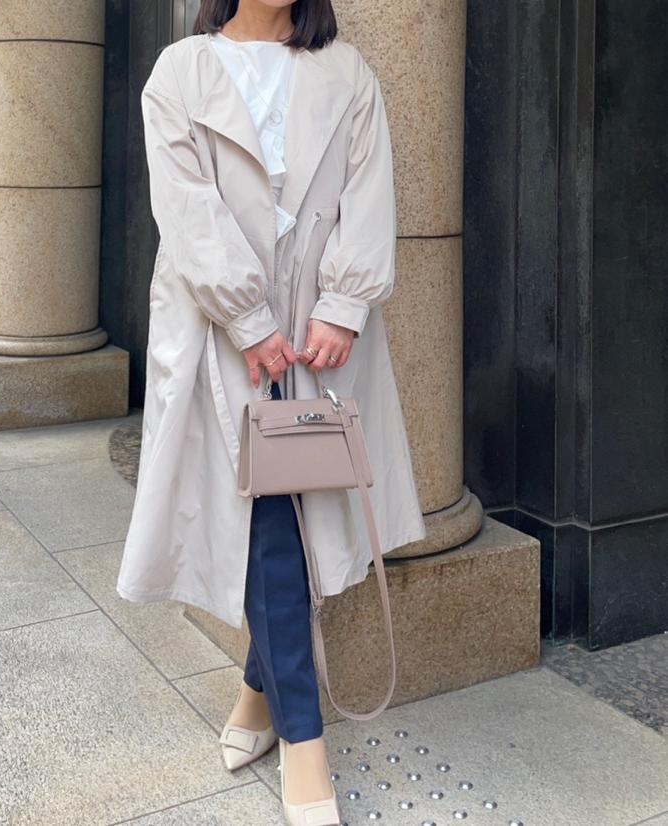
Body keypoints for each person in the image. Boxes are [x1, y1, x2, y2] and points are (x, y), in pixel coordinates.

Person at [116, 1, 427, 823]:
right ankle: (305, 741)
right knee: (265, 521)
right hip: (219, 327)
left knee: (299, 511)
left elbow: (368, 191)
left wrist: (344, 305)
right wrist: (248, 318)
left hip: (321, 330)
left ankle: (260, 690)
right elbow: (185, 209)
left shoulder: (346, 73)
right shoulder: (180, 73)